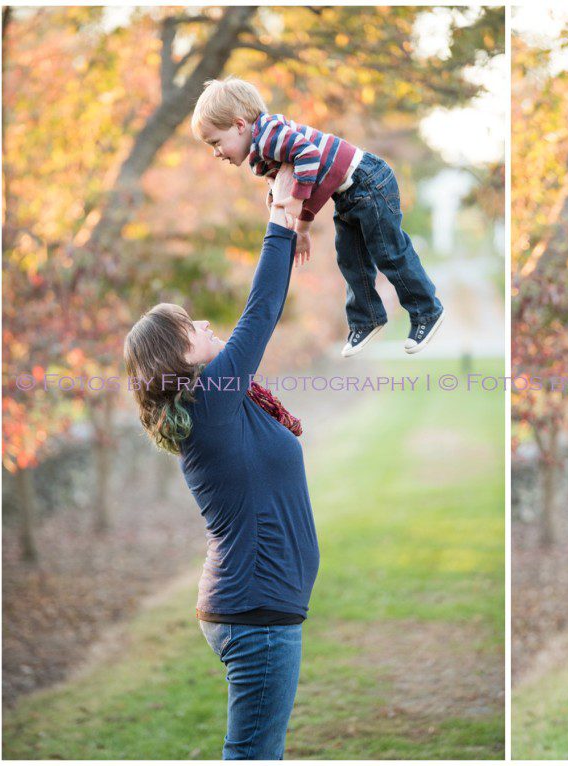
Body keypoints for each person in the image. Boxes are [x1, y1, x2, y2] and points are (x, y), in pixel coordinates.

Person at [123, 167, 318, 759]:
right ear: (176, 355)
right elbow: (259, 313)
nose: (207, 325)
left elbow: (261, 313)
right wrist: (278, 220)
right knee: (254, 756)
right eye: (191, 326)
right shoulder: (209, 405)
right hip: (255, 614)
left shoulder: (219, 402)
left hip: (256, 606)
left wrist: (290, 221)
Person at [190, 75, 445, 358]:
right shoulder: (261, 151)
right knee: (350, 259)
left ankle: (427, 311)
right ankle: (366, 319)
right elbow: (290, 182)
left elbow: (308, 157)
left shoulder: (269, 134)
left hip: (370, 181)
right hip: (349, 194)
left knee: (388, 252)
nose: (215, 153)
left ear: (239, 126)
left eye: (216, 142)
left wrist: (299, 211)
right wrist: (294, 220)